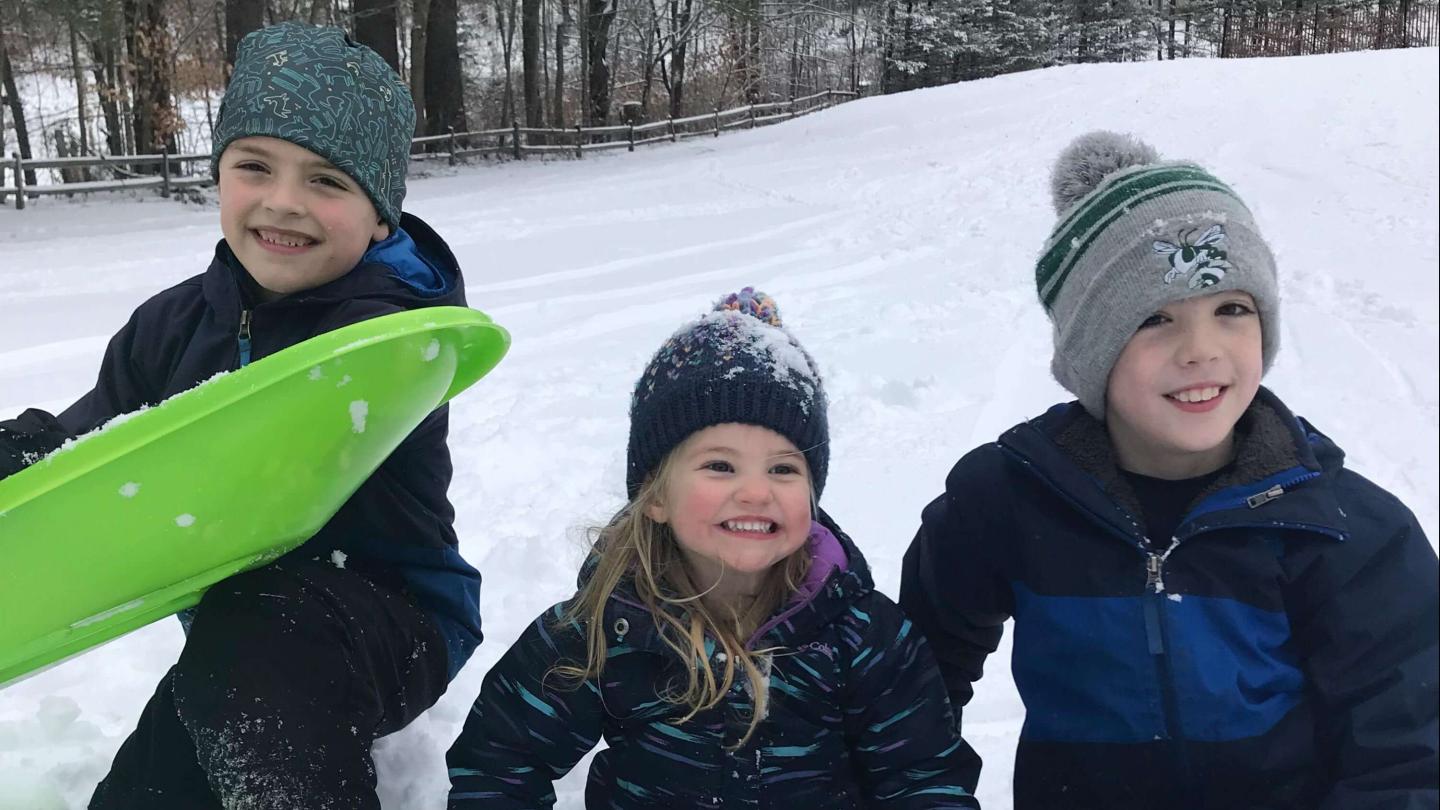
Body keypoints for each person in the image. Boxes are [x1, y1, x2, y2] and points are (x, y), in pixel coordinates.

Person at [2, 22, 482, 808]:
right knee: (154, 783)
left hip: (392, 620)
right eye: (254, 166)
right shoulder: (172, 325)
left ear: (381, 217)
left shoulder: (394, 338)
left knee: (261, 637)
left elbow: (280, 478)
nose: (283, 202)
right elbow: (101, 448)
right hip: (235, 637)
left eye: (328, 181)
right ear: (218, 175)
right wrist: (34, 450)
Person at [899, 131, 1439, 809]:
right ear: (1092, 350)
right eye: (1155, 318)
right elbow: (906, 690)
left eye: (1231, 310)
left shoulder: (1347, 531)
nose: (1201, 351)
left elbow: (1407, 756)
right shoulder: (1007, 501)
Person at [447, 288, 982, 808]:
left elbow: (922, 777)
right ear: (655, 497)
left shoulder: (859, 634)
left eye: (783, 468)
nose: (755, 491)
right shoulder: (605, 629)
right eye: (720, 466)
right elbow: (502, 757)